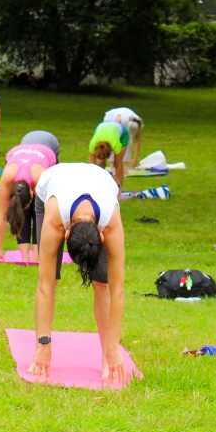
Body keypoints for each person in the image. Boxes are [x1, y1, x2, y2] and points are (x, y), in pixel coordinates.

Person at [28, 162, 133, 385]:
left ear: (102, 236)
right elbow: (43, 287)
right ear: (64, 234)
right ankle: (42, 349)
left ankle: (106, 355)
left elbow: (118, 292)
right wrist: (42, 345)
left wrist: (113, 348)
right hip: (52, 184)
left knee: (102, 284)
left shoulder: (111, 221)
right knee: (49, 278)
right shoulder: (55, 218)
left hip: (99, 179)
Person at [0, 131, 60, 261]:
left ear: (32, 193)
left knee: (39, 212)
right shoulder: (6, 179)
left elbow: (48, 217)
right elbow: (2, 216)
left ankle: (35, 253)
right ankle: (24, 256)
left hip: (49, 145)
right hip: (20, 150)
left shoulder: (42, 177)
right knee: (19, 211)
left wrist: (37, 257)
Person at [88, 120, 127, 187]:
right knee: (94, 167)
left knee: (117, 163)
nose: (101, 160)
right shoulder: (92, 144)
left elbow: (118, 166)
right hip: (102, 126)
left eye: (103, 158)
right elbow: (91, 167)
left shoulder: (115, 144)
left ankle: (119, 188)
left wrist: (118, 186)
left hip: (121, 131)